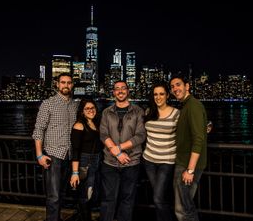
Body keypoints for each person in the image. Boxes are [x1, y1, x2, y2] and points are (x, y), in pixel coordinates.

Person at [32, 73, 79, 221]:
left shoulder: (75, 105)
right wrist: (39, 155)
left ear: (72, 85)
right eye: (63, 82)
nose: (66, 85)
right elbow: (39, 129)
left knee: (63, 193)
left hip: (70, 155)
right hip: (53, 155)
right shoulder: (48, 103)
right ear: (57, 85)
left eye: (69, 83)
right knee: (54, 196)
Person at [99, 80, 147, 221]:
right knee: (108, 199)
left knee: (127, 200)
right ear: (113, 92)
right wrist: (117, 153)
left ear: (128, 91)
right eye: (117, 89)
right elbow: (103, 134)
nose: (120, 91)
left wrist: (119, 148)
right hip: (109, 163)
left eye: (123, 88)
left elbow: (140, 135)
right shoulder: (106, 112)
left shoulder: (138, 111)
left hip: (131, 162)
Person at [169, 74, 208, 221]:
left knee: (184, 208)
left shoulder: (193, 105)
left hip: (187, 165)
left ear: (187, 86)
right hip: (184, 162)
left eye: (178, 85)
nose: (175, 89)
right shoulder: (186, 106)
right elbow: (198, 129)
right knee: (182, 206)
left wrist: (190, 170)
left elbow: (198, 139)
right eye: (172, 87)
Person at [142, 82, 180, 221]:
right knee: (160, 198)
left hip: (167, 161)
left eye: (161, 94)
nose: (158, 97)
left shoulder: (176, 113)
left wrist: (205, 127)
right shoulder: (148, 112)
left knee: (158, 198)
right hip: (149, 160)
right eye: (155, 94)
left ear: (167, 95)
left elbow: (188, 129)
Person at [70, 98, 103, 221]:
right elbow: (76, 150)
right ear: (82, 111)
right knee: (86, 194)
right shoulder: (79, 125)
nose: (91, 110)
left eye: (93, 108)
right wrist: (75, 173)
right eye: (87, 108)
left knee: (94, 193)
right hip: (85, 162)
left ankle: (82, 215)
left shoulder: (96, 123)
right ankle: (84, 218)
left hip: (97, 162)